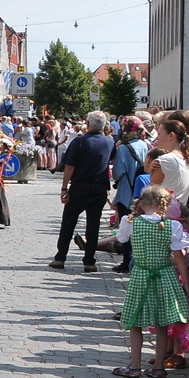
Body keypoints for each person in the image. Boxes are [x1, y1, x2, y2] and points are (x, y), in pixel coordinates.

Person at [110, 186, 189, 378]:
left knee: (134, 321)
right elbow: (179, 257)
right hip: (165, 275)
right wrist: (186, 282)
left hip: (141, 275)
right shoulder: (173, 226)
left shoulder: (131, 222)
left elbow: (121, 239)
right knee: (162, 323)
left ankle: (135, 366)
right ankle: (158, 367)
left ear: (142, 203)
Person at [49, 111, 115, 271]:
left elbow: (70, 166)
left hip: (80, 186)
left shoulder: (79, 141)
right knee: (93, 225)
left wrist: (64, 187)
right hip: (99, 187)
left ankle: (60, 258)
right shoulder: (109, 142)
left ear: (88, 123)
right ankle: (89, 261)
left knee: (69, 222)